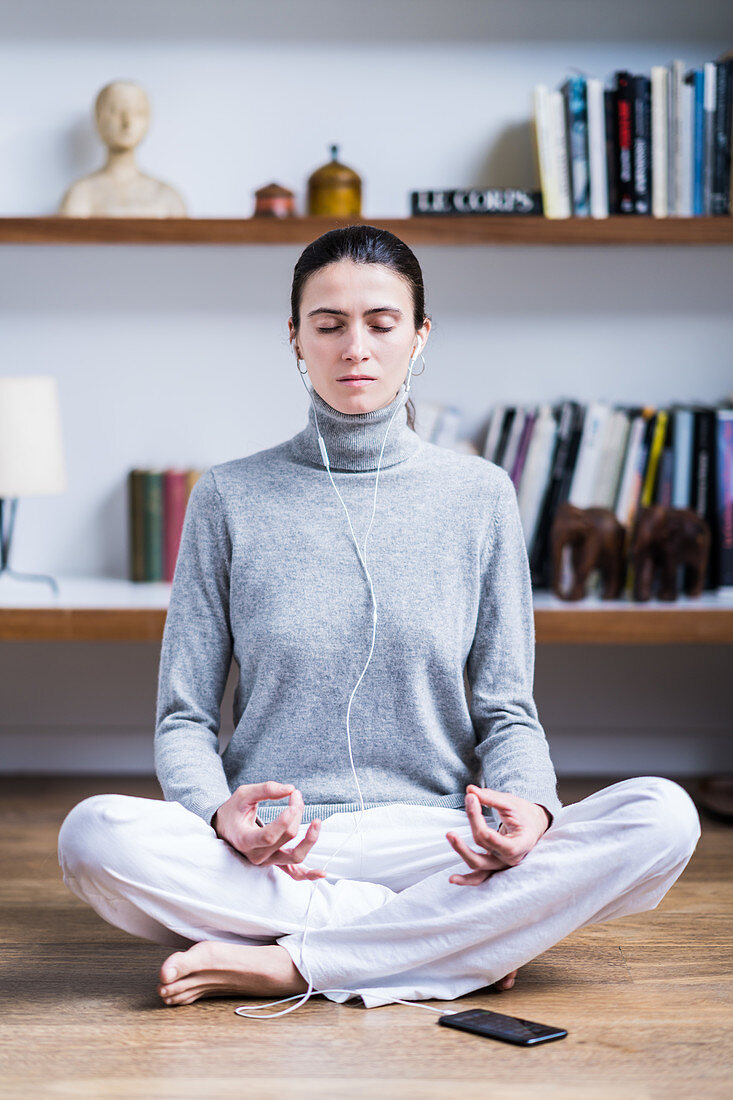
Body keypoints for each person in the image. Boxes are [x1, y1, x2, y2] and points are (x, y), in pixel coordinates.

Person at [58, 225, 701, 1011]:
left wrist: (530, 812)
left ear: (419, 337)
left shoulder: (480, 496)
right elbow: (183, 717)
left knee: (662, 816)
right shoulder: (227, 497)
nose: (353, 346)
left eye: (381, 323)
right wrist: (220, 815)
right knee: (92, 836)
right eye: (327, 325)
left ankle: (296, 963)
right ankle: (453, 941)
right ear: (295, 338)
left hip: (437, 843)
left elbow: (506, 710)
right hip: (276, 853)